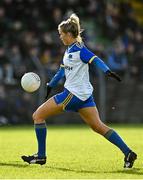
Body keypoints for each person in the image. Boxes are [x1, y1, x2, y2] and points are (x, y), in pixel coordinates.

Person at [21, 14, 137, 168]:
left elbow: (95, 59)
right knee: (98, 126)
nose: (60, 37)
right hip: (85, 97)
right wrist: (50, 84)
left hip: (72, 95)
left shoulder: (80, 49)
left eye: (61, 34)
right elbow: (62, 71)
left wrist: (107, 71)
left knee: (38, 116)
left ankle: (41, 156)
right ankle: (128, 152)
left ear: (69, 34)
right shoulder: (69, 50)